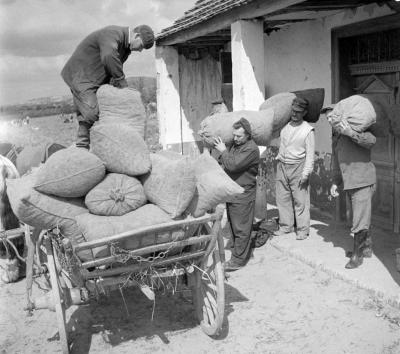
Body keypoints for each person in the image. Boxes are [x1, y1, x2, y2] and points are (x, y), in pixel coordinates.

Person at [61, 25, 155, 149]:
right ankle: (84, 145)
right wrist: (123, 85)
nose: (140, 50)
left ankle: (86, 145)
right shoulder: (113, 34)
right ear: (136, 36)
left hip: (94, 79)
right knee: (92, 112)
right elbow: (109, 57)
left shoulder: (125, 48)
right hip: (80, 76)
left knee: (103, 110)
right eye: (141, 46)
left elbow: (112, 68)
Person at [323, 106, 377, 269]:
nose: (330, 121)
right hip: (348, 182)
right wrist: (335, 182)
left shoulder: (356, 130)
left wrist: (351, 133)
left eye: (332, 117)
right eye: (327, 119)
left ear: (341, 115)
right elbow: (337, 162)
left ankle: (357, 256)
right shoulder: (336, 136)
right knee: (360, 217)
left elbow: (372, 141)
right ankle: (366, 248)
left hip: (362, 180)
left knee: (359, 219)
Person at [213, 118, 260, 271]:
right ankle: (242, 253)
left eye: (239, 136)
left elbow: (233, 165)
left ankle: (238, 261)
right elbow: (227, 160)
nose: (235, 138)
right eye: (234, 135)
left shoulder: (251, 149)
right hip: (233, 191)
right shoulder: (236, 145)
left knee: (241, 228)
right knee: (234, 226)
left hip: (243, 192)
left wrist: (223, 151)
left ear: (247, 135)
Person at [274, 97, 315, 240]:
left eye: (298, 112)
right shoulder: (285, 126)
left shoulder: (308, 130)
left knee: (300, 200)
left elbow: (310, 155)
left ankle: (303, 230)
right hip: (282, 165)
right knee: (282, 198)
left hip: (298, 166)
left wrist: (306, 173)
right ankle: (286, 226)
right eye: (293, 111)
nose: (294, 114)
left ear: (304, 112)